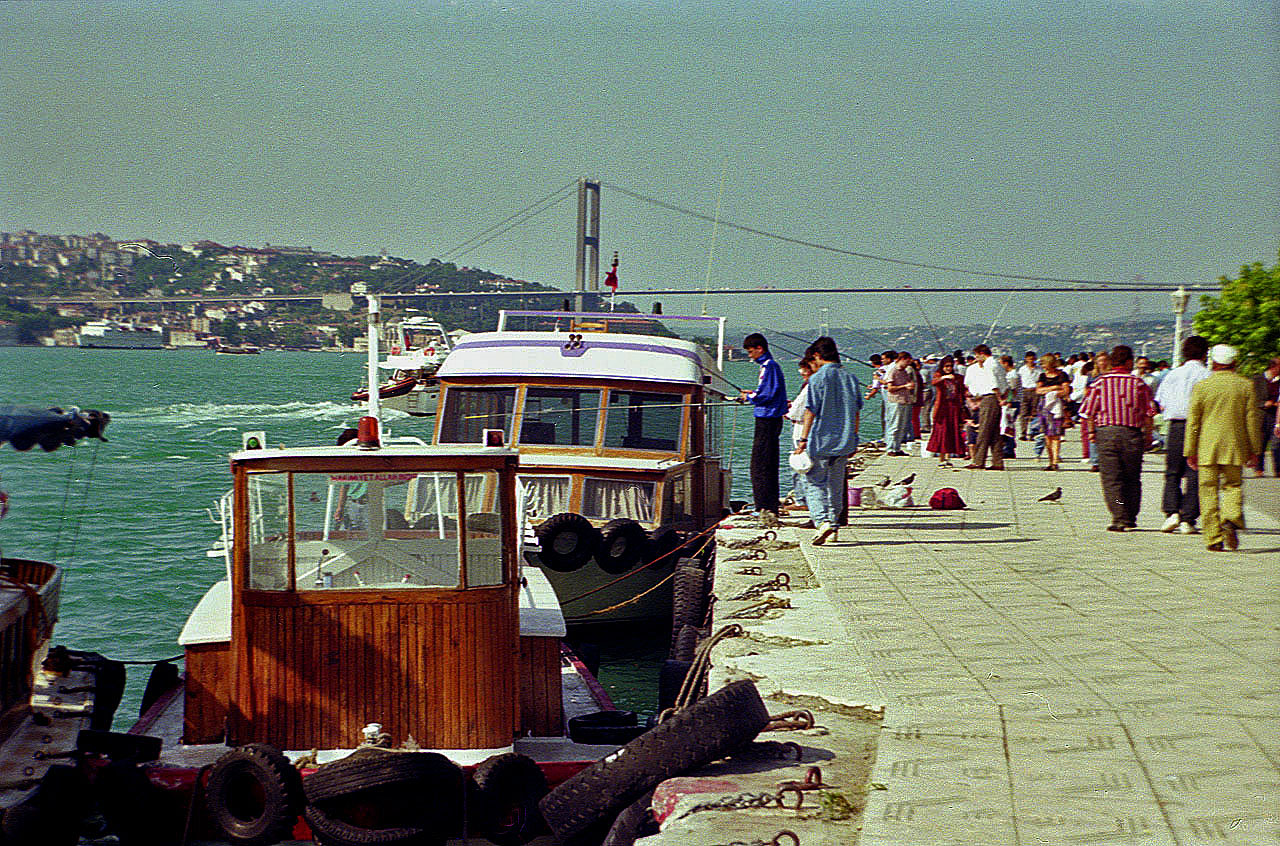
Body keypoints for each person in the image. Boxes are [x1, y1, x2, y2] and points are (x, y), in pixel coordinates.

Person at [1185, 344, 1263, 551]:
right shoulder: (1246, 386)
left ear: (1213, 363)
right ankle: (1230, 518)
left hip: (1206, 447)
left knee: (1208, 491)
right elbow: (1252, 420)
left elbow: (1193, 422)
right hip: (1234, 447)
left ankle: (1213, 538)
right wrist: (1255, 449)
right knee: (1233, 486)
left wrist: (1190, 450)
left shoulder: (1202, 387)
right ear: (1234, 363)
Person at [1079, 345, 1157, 532]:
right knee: (1132, 477)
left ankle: (1118, 515)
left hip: (1106, 433)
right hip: (1131, 434)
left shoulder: (1099, 383)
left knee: (1112, 478)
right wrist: (1147, 435)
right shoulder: (1138, 384)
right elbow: (1149, 413)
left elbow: (1088, 412)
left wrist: (1091, 433)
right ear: (1129, 362)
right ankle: (1130, 516)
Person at [794, 336, 862, 545]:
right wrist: (854, 437)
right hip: (845, 440)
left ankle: (822, 522)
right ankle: (833, 527)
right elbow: (857, 410)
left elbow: (810, 411)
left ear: (817, 355)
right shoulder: (851, 377)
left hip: (822, 440)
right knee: (835, 486)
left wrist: (803, 439)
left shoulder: (817, 379)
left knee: (814, 483)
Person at [1154, 335, 1210, 533]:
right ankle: (1188, 517)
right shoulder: (1207, 375)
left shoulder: (1172, 375)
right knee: (1195, 471)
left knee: (1173, 471)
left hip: (1176, 425)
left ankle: (1171, 512)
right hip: (1200, 427)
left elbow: (1160, 402)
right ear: (1205, 353)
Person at [739, 333, 788, 523]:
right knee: (765, 463)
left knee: (760, 465)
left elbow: (767, 394)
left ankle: (764, 506)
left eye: (751, 352)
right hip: (769, 419)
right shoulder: (768, 367)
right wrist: (752, 394)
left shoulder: (770, 366)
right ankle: (767, 505)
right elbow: (767, 391)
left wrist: (750, 398)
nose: (750, 356)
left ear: (760, 348)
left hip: (768, 419)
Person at [962, 343, 1008, 470]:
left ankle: (978, 461)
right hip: (992, 398)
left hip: (990, 398)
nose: (976, 358)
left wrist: (999, 398)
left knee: (983, 431)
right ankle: (997, 462)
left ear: (982, 354)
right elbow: (1005, 383)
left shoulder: (989, 365)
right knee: (994, 432)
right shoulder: (997, 364)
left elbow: (994, 383)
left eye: (977, 355)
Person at [785, 356, 817, 514]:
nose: (803, 375)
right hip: (805, 429)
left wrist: (787, 411)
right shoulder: (812, 386)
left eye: (805, 373)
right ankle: (804, 498)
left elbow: (796, 411)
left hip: (802, 430)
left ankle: (802, 500)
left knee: (800, 466)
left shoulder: (811, 386)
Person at [926, 355, 966, 467]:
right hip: (942, 408)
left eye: (950, 366)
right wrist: (944, 378)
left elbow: (963, 389)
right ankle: (941, 458)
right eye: (946, 366)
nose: (948, 368)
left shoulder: (957, 377)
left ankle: (948, 458)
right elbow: (934, 382)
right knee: (942, 431)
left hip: (954, 407)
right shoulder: (939, 375)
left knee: (952, 431)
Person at [1035, 354, 1071, 470]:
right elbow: (1038, 391)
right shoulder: (1042, 376)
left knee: (1055, 434)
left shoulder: (1062, 375)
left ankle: (1055, 461)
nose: (1044, 367)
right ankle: (1050, 460)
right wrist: (1054, 388)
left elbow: (1066, 391)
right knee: (1047, 435)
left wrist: (1053, 393)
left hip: (1057, 406)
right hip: (1044, 407)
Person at [883, 351, 916, 455]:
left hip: (904, 400)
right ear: (902, 359)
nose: (908, 364)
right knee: (895, 425)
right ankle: (890, 448)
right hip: (896, 401)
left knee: (902, 426)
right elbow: (890, 388)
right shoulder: (893, 371)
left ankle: (897, 448)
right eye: (907, 361)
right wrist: (904, 386)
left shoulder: (904, 371)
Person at [1252, 357, 1280, 476]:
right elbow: (1252, 399)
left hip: (1275, 415)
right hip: (1261, 415)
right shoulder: (1257, 380)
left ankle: (1278, 469)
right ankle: (1259, 468)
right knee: (1261, 442)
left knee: (1276, 442)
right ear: (1273, 367)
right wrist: (1263, 404)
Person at [1016, 351, 1042, 440]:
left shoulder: (1039, 369)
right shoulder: (1022, 369)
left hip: (1035, 390)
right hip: (1025, 390)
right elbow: (1019, 382)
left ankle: (1033, 432)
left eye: (1033, 359)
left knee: (1035, 412)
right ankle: (1023, 433)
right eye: (1030, 359)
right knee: (1023, 413)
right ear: (1026, 359)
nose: (1032, 361)